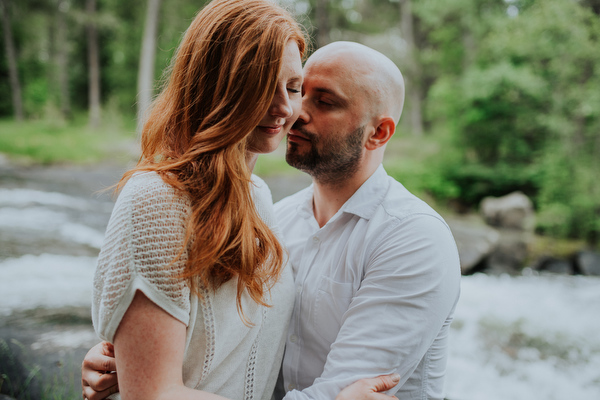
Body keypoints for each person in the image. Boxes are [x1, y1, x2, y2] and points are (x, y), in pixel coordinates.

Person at [83, 40, 460, 400]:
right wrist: (130, 364)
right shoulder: (272, 217)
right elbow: (235, 348)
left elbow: (348, 390)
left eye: (325, 102)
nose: (296, 111)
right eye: (300, 91)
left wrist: (153, 390)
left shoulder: (413, 238)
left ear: (378, 133)